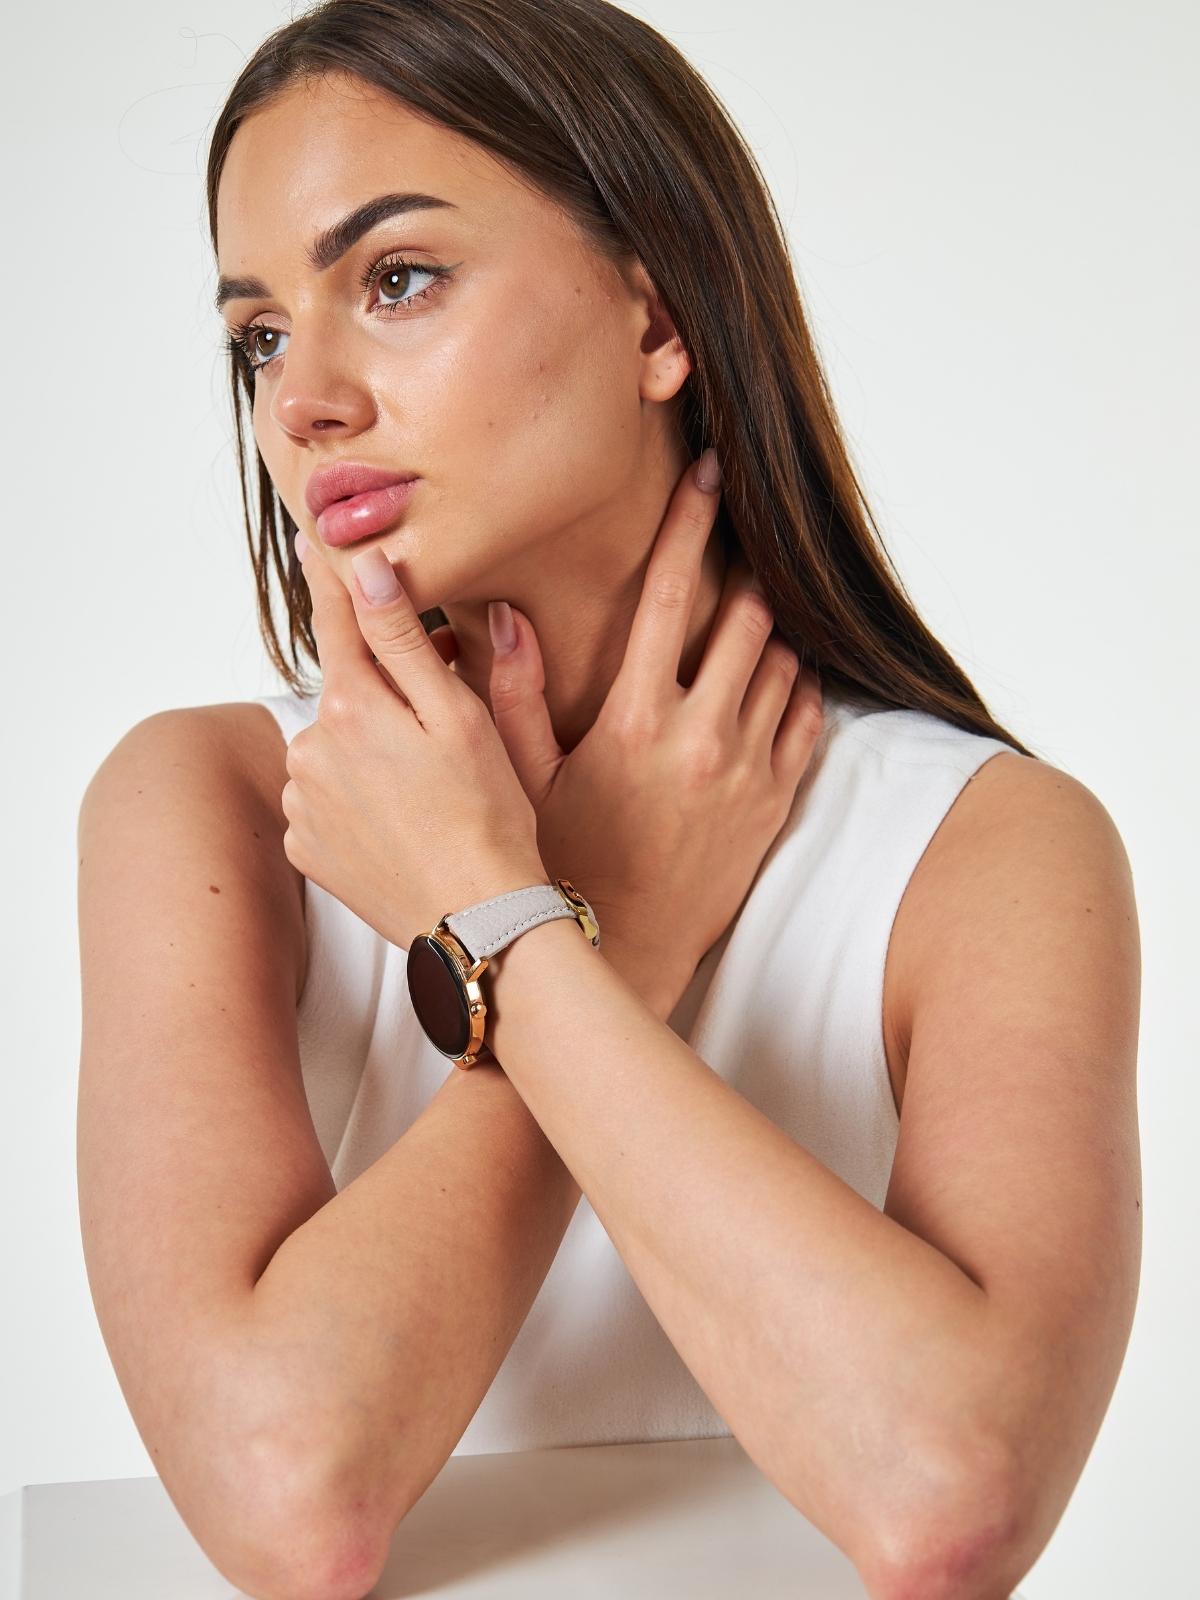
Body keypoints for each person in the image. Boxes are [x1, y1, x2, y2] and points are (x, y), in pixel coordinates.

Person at [74, 4, 1141, 1599]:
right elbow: (288, 1504)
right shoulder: (209, 808)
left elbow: (948, 1501)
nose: (302, 401)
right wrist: (604, 921)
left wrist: (503, 929)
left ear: (657, 316)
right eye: (262, 335)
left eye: (397, 279)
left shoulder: (989, 850)